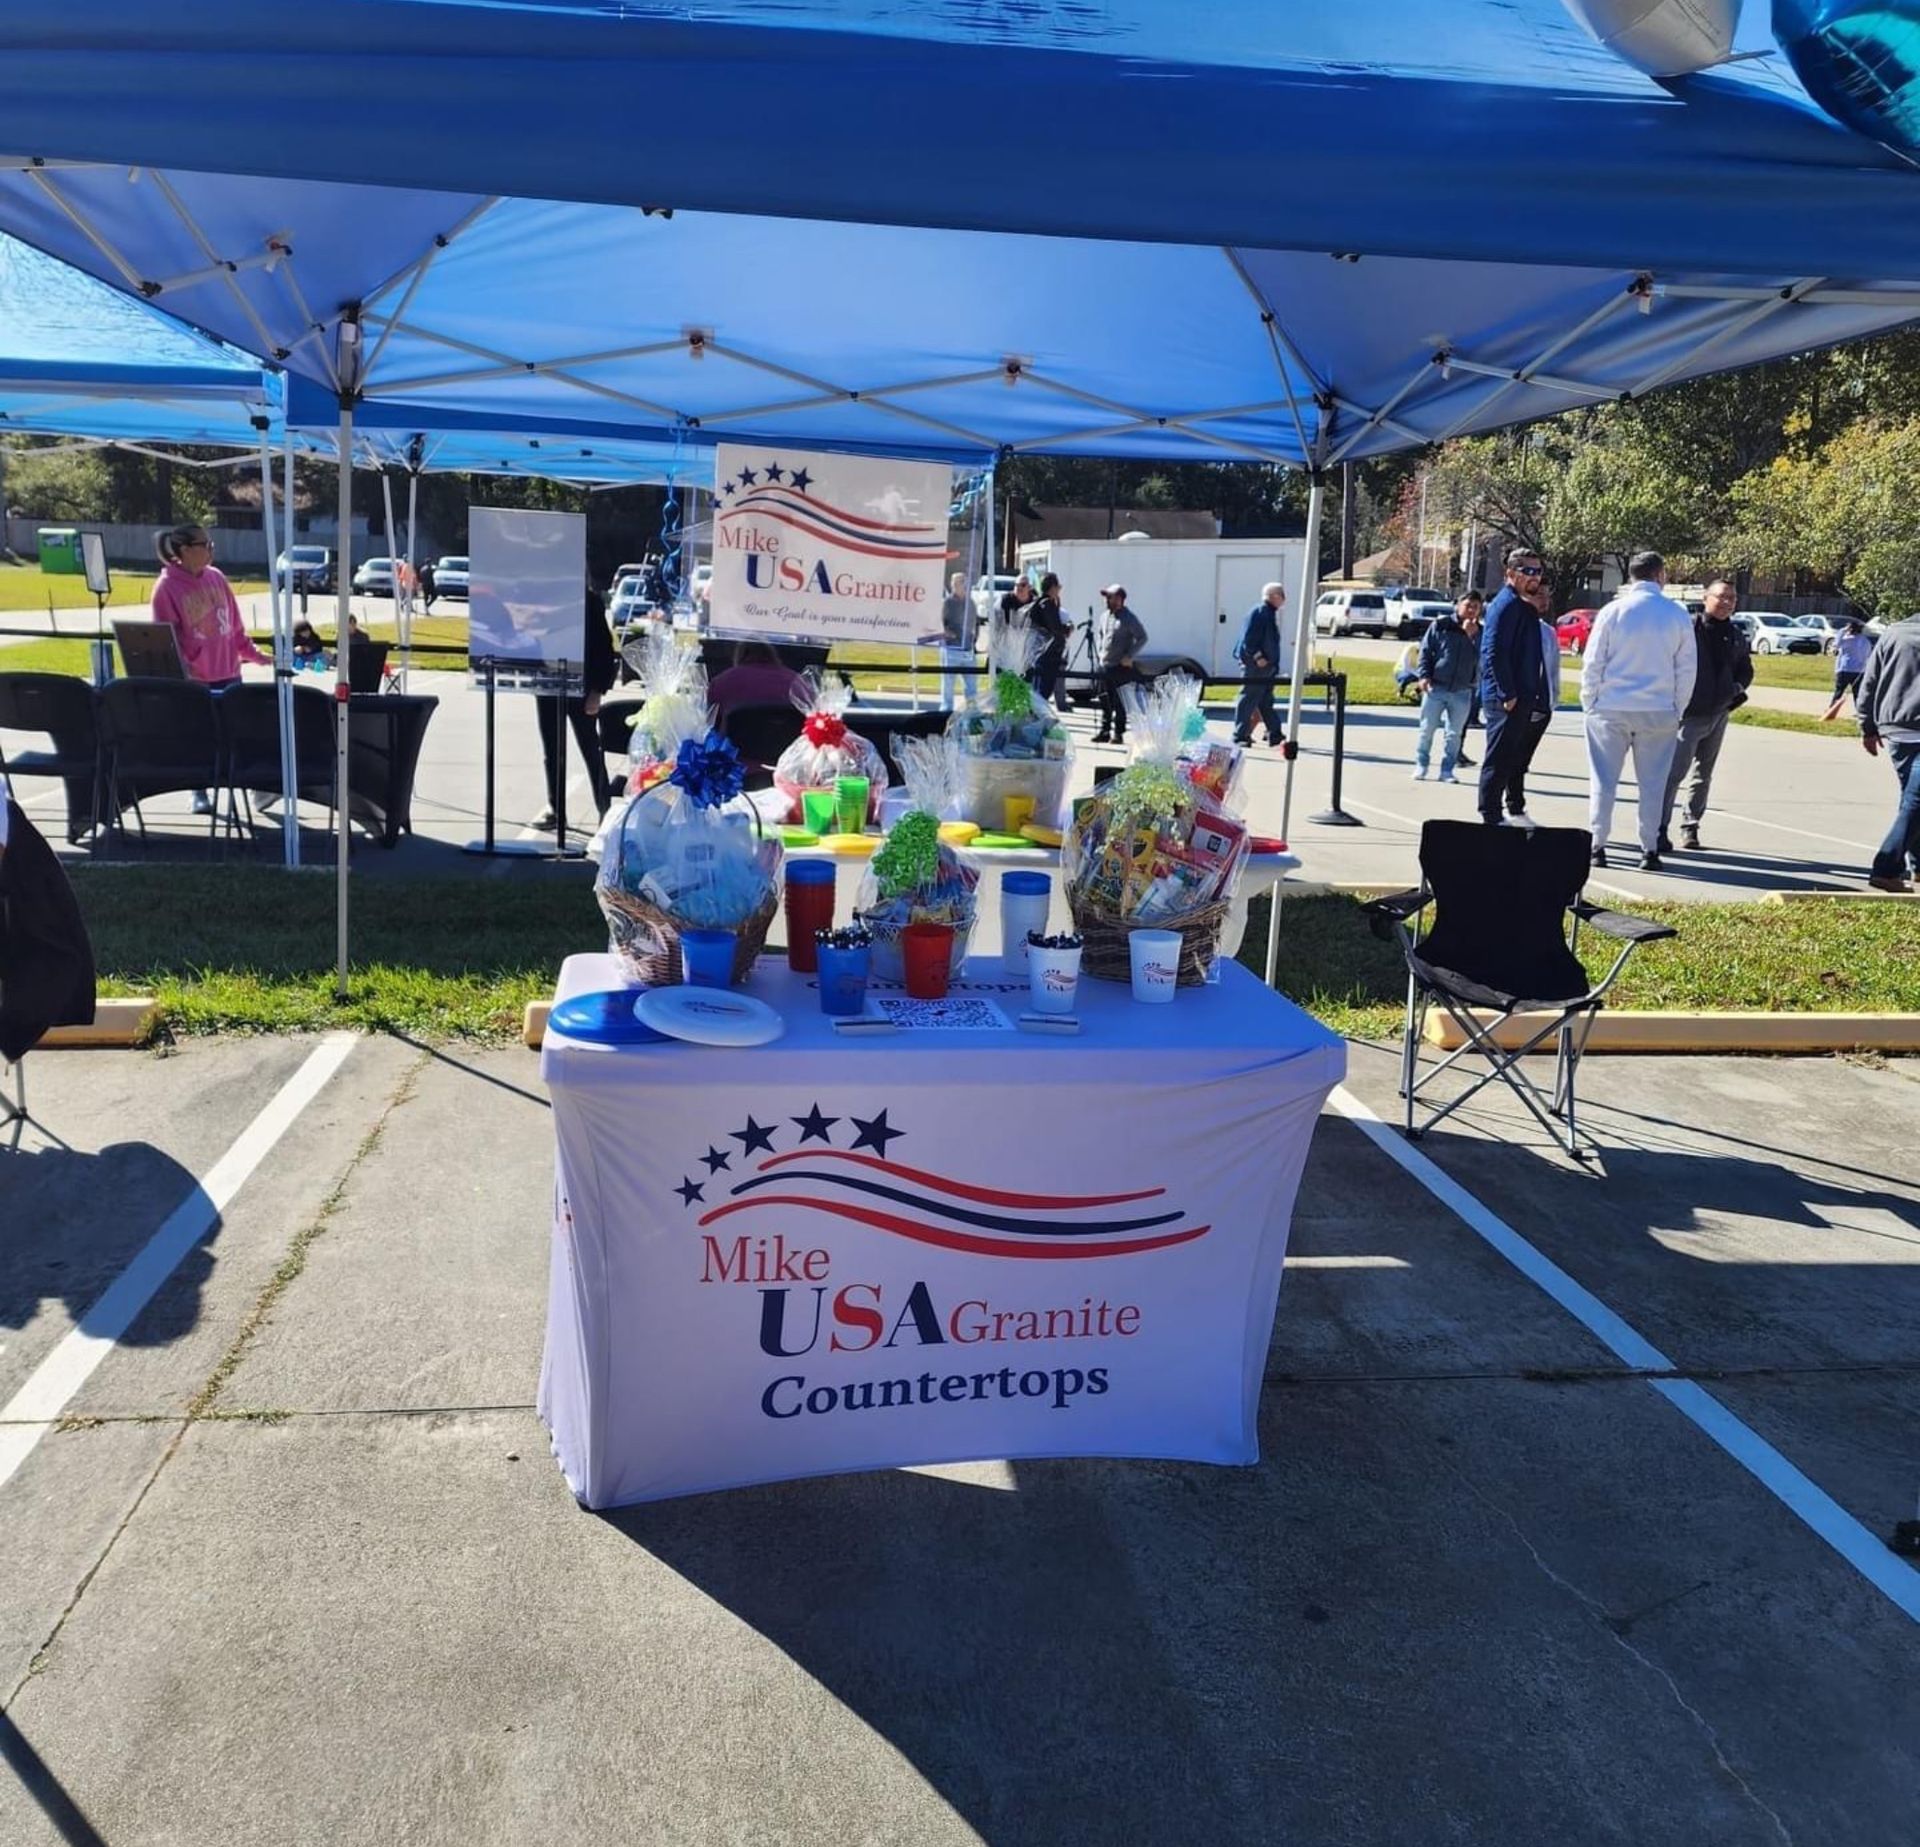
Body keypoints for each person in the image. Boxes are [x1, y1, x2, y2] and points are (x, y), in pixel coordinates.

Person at [1580, 551, 1696, 870]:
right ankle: (1648, 848)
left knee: (1603, 780)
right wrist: (1677, 708)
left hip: (1611, 706)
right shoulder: (1676, 614)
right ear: (1660, 575)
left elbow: (1593, 662)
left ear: (1631, 576)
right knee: (1653, 783)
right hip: (1658, 709)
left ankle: (1597, 844)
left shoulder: (1612, 611)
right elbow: (1686, 669)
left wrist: (1590, 701)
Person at [151, 522, 269, 813]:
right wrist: (187, 671)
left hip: (230, 674)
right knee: (199, 738)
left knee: (237, 734)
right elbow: (167, 640)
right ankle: (198, 792)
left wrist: (256, 655)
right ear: (186, 550)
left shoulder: (216, 578)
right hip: (196, 681)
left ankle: (245, 789)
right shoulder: (166, 587)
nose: (211, 549)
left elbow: (235, 628)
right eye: (206, 545)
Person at [1659, 578, 1751, 852]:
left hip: (1718, 713)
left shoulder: (1735, 635)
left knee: (1703, 775)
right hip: (1688, 715)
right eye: (1721, 597)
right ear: (1706, 597)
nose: (1726, 603)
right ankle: (1659, 828)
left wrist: (1737, 688)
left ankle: (1691, 827)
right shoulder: (1688, 629)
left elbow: (1745, 669)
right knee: (1674, 774)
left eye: (1731, 599)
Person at [1476, 549, 1556, 829]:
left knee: (1511, 756)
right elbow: (1493, 651)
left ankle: (1504, 810)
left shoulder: (1522, 606)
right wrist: (1506, 693)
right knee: (1498, 757)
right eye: (1528, 571)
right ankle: (1491, 813)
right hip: (1507, 699)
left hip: (1523, 696)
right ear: (1511, 574)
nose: (1535, 577)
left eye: (1538, 571)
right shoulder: (1506, 604)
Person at [532, 584, 618, 830]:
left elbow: (604, 647)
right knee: (552, 749)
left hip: (582, 684)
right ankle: (556, 810)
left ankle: (605, 808)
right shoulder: (543, 597)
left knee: (591, 747)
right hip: (548, 683)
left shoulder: (589, 601)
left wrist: (598, 690)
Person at [1856, 611, 1920, 893]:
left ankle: (1917, 866)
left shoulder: (1894, 632)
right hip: (1911, 725)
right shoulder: (1897, 633)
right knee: (1915, 801)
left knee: (1913, 799)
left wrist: (1867, 725)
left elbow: (1870, 679)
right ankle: (1886, 868)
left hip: (1895, 728)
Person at [1411, 591, 1483, 782]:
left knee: (1454, 734)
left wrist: (1471, 636)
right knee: (1427, 729)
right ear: (1458, 605)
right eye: (1468, 605)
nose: (1471, 610)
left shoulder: (1480, 632)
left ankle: (1447, 770)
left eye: (1476, 607)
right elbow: (1426, 652)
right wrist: (1424, 676)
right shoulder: (1441, 625)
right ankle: (1421, 764)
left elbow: (1481, 658)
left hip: (1462, 690)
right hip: (1436, 687)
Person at [1232, 582, 1288, 746]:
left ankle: (1274, 733)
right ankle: (1239, 735)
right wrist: (1258, 657)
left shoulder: (1267, 613)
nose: (1284, 599)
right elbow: (1249, 640)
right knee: (1248, 699)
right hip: (1256, 667)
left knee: (1265, 701)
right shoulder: (1260, 613)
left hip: (1267, 667)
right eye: (1282, 595)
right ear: (1274, 596)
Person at [1092, 583, 1148, 745]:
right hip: (1104, 664)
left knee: (1119, 701)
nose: (1107, 600)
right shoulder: (1104, 616)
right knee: (1104, 698)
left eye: (1109, 597)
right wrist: (1099, 652)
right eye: (1106, 597)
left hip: (1120, 666)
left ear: (1119, 599)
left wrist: (1129, 656)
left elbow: (1142, 637)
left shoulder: (1128, 618)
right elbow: (1099, 635)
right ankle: (1104, 731)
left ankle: (1118, 733)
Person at [707, 640, 809, 725]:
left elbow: (709, 718)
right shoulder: (797, 682)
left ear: (740, 655)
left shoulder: (721, 682)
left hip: (736, 745)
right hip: (790, 744)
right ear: (773, 655)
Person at [1822, 613, 1876, 722]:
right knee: (1858, 693)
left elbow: (1836, 644)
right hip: (1859, 670)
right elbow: (1868, 655)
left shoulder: (1848, 640)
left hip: (1845, 669)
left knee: (1839, 690)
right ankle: (1860, 711)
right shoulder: (1865, 641)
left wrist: (1842, 630)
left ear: (1850, 629)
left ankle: (1831, 709)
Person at [939, 571, 973, 708]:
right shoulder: (948, 603)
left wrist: (973, 638)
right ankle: (945, 713)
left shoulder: (970, 602)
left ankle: (972, 713)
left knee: (971, 686)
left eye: (964, 582)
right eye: (959, 582)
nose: (962, 585)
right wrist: (949, 634)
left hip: (967, 650)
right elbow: (939, 624)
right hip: (951, 649)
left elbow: (974, 623)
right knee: (948, 686)